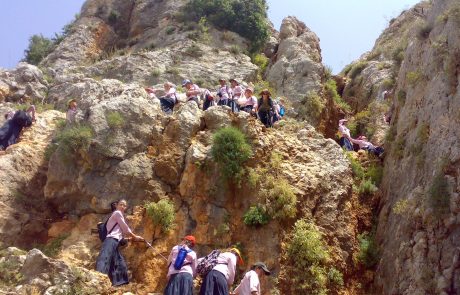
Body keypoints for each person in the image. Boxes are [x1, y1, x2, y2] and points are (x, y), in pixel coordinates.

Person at [96, 199, 144, 287]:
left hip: (115, 242)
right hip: (110, 240)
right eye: (121, 204)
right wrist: (135, 237)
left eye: (124, 205)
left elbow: (120, 237)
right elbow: (126, 229)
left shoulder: (118, 217)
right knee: (105, 258)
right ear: (117, 206)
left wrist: (130, 239)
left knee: (119, 262)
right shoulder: (117, 213)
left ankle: (116, 284)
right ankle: (98, 279)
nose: (122, 207)